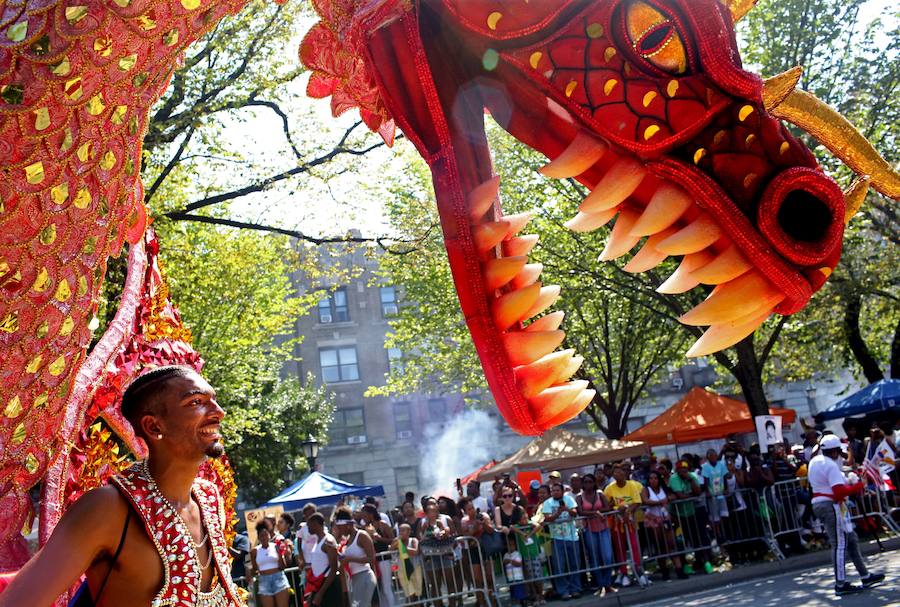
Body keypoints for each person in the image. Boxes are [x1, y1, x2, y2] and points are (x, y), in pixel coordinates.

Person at [0, 365, 242, 607]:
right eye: (196, 402)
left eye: (214, 400)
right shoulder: (107, 509)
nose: (218, 412)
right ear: (154, 427)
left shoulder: (209, 500)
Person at [808, 435, 885, 596]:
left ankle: (865, 575)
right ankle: (840, 584)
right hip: (831, 505)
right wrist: (858, 485)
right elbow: (838, 492)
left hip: (822, 502)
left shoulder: (816, 461)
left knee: (851, 539)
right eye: (839, 452)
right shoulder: (830, 465)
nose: (841, 456)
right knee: (840, 544)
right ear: (835, 452)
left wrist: (849, 480)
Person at [603, 464, 648, 587]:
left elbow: (637, 502)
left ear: (624, 473)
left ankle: (639, 572)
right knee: (620, 548)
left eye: (620, 472)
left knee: (634, 546)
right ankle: (624, 573)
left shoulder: (632, 485)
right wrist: (613, 507)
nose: (618, 475)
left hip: (630, 521)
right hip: (617, 523)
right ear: (613, 475)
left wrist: (627, 509)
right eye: (615, 473)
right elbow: (606, 504)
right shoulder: (609, 488)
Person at [668, 460, 713, 576]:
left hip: (691, 512)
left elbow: (697, 492)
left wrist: (690, 480)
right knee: (681, 541)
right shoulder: (674, 479)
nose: (684, 472)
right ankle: (684, 565)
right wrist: (691, 495)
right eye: (681, 470)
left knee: (698, 538)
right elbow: (680, 496)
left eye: (685, 469)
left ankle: (703, 562)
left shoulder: (692, 476)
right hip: (678, 515)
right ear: (677, 471)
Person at [641, 470, 687, 581]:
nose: (653, 480)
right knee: (660, 546)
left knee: (671, 545)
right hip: (653, 521)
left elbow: (673, 496)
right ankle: (664, 572)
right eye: (651, 478)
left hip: (665, 519)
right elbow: (645, 501)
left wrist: (669, 498)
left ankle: (679, 570)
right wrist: (662, 501)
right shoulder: (646, 490)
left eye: (655, 478)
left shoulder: (664, 489)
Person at [575, 473, 615, 594]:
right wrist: (595, 513)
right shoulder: (579, 497)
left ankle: (607, 583)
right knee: (594, 558)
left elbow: (608, 508)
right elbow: (580, 512)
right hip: (589, 530)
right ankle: (600, 584)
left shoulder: (600, 494)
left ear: (594, 483)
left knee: (607, 557)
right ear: (583, 483)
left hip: (603, 528)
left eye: (590, 482)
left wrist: (596, 512)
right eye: (586, 482)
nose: (588, 484)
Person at [541, 482, 582, 599]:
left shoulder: (569, 499)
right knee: (559, 566)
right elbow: (547, 518)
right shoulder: (547, 503)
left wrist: (566, 509)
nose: (555, 492)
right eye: (553, 490)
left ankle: (575, 589)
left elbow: (575, 513)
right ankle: (563, 591)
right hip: (557, 538)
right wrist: (558, 513)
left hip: (572, 537)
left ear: (562, 491)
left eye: (557, 490)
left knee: (574, 564)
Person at [334, 507, 378, 607]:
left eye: (340, 527)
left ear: (348, 525)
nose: (339, 530)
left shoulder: (362, 535)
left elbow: (372, 559)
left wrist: (350, 559)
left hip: (365, 576)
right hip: (354, 579)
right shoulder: (347, 540)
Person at [459, 498, 496, 607]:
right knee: (477, 579)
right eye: (469, 509)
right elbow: (466, 535)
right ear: (465, 511)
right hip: (473, 551)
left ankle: (493, 602)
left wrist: (483, 523)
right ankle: (482, 603)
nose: (472, 510)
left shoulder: (484, 516)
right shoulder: (464, 521)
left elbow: (491, 530)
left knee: (489, 577)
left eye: (473, 508)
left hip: (486, 548)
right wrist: (475, 526)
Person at [361, 503, 396, 607]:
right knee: (377, 589)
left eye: (365, 515)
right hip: (372, 561)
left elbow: (393, 540)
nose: (363, 518)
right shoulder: (364, 528)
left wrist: (379, 538)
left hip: (384, 559)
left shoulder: (382, 524)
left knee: (386, 587)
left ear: (371, 514)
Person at [305, 512, 343, 607]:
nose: (308, 528)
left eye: (309, 525)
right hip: (319, 585)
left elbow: (334, 569)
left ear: (315, 524)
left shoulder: (328, 541)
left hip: (329, 586)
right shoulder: (318, 541)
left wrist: (320, 593)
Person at [251, 522, 292, 607]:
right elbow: (254, 568)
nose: (264, 537)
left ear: (269, 535)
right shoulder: (255, 551)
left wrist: (281, 554)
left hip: (278, 578)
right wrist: (249, 570)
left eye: (266, 534)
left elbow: (283, 566)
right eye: (261, 535)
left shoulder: (276, 546)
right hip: (263, 580)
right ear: (258, 537)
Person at [700, 449, 729, 542]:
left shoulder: (721, 464)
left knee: (724, 514)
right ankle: (718, 534)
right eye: (710, 456)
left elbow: (724, 477)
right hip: (712, 495)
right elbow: (706, 480)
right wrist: (708, 492)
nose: (713, 457)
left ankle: (725, 533)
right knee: (715, 517)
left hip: (721, 493)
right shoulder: (705, 467)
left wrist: (726, 488)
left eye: (714, 455)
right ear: (708, 457)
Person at [394, 523, 423, 602]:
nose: (401, 533)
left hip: (415, 568)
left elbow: (415, 551)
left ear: (409, 531)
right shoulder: (397, 541)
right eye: (400, 531)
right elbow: (390, 550)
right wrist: (395, 544)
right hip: (402, 570)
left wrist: (402, 546)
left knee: (417, 594)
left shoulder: (413, 540)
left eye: (403, 530)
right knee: (409, 594)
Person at [503, 535, 529, 606]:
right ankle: (516, 602)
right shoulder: (506, 555)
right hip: (510, 578)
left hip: (518, 577)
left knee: (519, 591)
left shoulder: (517, 553)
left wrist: (510, 561)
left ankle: (521, 602)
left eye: (512, 545)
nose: (511, 546)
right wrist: (510, 561)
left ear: (515, 545)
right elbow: (504, 562)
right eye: (509, 545)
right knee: (513, 591)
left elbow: (519, 563)